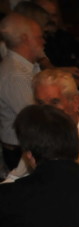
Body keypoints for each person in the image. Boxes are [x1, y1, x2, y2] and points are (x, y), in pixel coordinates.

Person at [1, 68, 79, 182]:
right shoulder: (38, 138)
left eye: (54, 102)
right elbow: (15, 177)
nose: (46, 111)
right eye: (40, 103)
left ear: (75, 102)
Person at [0, 11, 45, 171]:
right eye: (39, 37)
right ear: (25, 39)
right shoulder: (16, 74)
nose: (43, 41)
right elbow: (35, 119)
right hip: (22, 153)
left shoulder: (26, 67)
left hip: (28, 146)